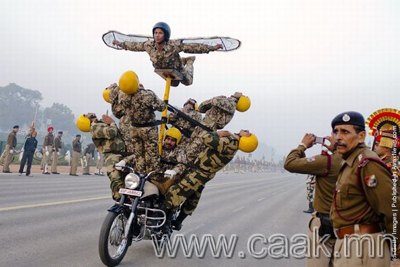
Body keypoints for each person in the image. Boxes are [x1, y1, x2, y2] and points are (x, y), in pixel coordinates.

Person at [330, 111, 396, 267]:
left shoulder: (367, 163)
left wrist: (396, 250)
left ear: (361, 136)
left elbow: (390, 209)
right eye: (336, 131)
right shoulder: (350, 162)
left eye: (345, 132)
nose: (338, 137)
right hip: (349, 243)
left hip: (364, 246)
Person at [163, 130, 257, 231]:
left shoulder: (231, 144)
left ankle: (163, 221)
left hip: (197, 175)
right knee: (193, 199)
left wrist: (218, 133)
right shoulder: (233, 144)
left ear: (246, 140)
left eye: (248, 134)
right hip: (201, 175)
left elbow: (205, 137)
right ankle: (177, 222)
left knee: (175, 194)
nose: (247, 131)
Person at [284, 133, 342, 267]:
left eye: (334, 133)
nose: (330, 137)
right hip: (349, 229)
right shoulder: (359, 160)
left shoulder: (327, 161)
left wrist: (303, 145)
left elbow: (290, 163)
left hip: (324, 227)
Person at [112, 22, 223, 86]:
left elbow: (194, 47)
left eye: (160, 33)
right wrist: (120, 44)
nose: (157, 35)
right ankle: (183, 60)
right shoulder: (148, 45)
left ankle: (188, 61)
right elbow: (133, 46)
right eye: (155, 33)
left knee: (188, 82)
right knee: (173, 85)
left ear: (166, 35)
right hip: (163, 69)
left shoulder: (174, 45)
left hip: (177, 68)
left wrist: (212, 47)